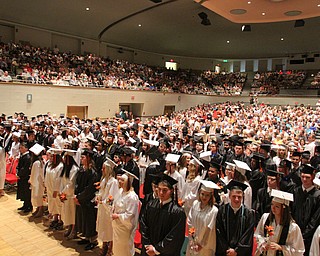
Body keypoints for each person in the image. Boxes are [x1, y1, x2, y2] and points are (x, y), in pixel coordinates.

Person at [140, 174, 186, 256]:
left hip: (165, 253)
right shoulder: (151, 205)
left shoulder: (177, 212)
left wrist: (156, 249)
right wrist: (147, 245)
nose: (161, 193)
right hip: (148, 250)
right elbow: (143, 225)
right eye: (159, 189)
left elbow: (175, 237)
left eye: (165, 190)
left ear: (171, 191)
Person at [254, 189, 305, 256]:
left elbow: (298, 250)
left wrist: (281, 248)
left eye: (277, 206)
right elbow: (258, 234)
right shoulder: (265, 218)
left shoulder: (293, 228)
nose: (273, 208)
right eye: (272, 205)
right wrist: (262, 243)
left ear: (284, 208)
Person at [216, 180, 255, 256]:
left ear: (243, 197)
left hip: (240, 253)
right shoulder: (222, 210)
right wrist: (226, 249)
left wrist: (237, 251)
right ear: (229, 196)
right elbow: (219, 231)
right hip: (224, 252)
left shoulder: (249, 213)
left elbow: (248, 235)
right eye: (234, 196)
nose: (236, 199)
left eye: (239, 197)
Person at [291, 164, 320, 255]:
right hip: (293, 233)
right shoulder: (296, 191)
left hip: (309, 237)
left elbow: (315, 219)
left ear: (313, 177)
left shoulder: (318, 195)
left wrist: (304, 235)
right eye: (302, 176)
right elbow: (291, 211)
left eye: (307, 177)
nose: (304, 179)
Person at [74, 149, 99, 250]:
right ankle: (86, 237)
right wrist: (76, 195)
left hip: (88, 201)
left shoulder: (93, 173)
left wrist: (79, 197)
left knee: (89, 221)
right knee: (83, 220)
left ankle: (93, 240)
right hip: (81, 199)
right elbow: (76, 183)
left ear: (88, 158)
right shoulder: (81, 169)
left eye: (83, 157)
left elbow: (89, 189)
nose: (81, 159)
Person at [187, 180, 220, 256]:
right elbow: (190, 221)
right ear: (199, 193)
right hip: (193, 242)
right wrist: (192, 238)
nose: (204, 197)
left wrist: (201, 245)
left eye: (207, 195)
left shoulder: (213, 210)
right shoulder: (195, 204)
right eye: (202, 194)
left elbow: (209, 229)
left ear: (211, 196)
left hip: (205, 246)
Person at [111, 169, 139, 256]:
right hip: (117, 226)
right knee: (117, 249)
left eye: (123, 180)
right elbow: (115, 203)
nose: (120, 181)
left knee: (124, 250)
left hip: (125, 228)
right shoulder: (120, 191)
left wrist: (118, 216)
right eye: (120, 179)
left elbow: (130, 215)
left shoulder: (132, 197)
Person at [96, 158, 120, 256]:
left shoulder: (113, 182)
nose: (102, 170)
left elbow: (112, 196)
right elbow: (101, 192)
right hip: (102, 207)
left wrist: (104, 201)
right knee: (103, 228)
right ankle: (104, 244)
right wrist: (98, 197)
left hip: (108, 209)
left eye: (104, 168)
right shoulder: (104, 180)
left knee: (109, 229)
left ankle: (110, 248)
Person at [59, 148, 79, 239]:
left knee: (72, 214)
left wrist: (64, 192)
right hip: (66, 194)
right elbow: (62, 180)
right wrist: (61, 192)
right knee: (67, 213)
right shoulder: (66, 167)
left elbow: (71, 184)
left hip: (71, 195)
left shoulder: (74, 169)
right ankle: (69, 227)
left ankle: (74, 230)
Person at [45, 147, 64, 229]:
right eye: (51, 156)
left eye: (53, 157)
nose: (51, 158)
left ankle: (60, 221)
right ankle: (55, 218)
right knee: (52, 204)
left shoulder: (60, 166)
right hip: (50, 188)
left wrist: (56, 190)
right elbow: (47, 175)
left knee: (59, 204)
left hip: (57, 190)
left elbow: (59, 179)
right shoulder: (50, 164)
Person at [28, 143, 45, 217]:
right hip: (35, 181)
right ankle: (38, 209)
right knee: (35, 196)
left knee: (38, 196)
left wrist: (44, 182)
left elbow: (41, 173)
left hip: (38, 182)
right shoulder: (36, 162)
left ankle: (40, 210)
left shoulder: (38, 162)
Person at [16, 142, 32, 212]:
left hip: (25, 177)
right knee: (23, 191)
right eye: (20, 148)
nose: (20, 149)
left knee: (26, 192)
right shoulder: (23, 156)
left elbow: (25, 168)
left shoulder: (28, 157)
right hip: (22, 177)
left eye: (22, 148)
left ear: (26, 148)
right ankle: (25, 205)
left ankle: (28, 206)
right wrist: (17, 172)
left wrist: (19, 174)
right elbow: (19, 166)